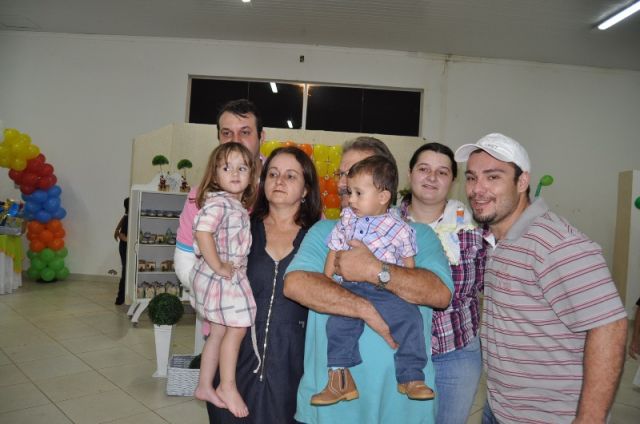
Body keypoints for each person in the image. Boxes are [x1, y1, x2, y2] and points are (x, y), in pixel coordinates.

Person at [455, 132, 628, 423]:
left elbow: (610, 327)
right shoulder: (498, 239)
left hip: (549, 415)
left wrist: (589, 419)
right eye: (471, 178)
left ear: (522, 182)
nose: (477, 189)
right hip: (500, 408)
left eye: (493, 177)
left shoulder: (555, 243)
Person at [284, 136, 454, 423]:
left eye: (355, 172)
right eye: (341, 174)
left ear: (383, 185)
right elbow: (296, 285)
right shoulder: (324, 230)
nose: (343, 183)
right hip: (328, 412)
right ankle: (340, 379)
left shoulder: (419, 234)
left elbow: (439, 294)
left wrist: (374, 270)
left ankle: (410, 376)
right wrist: (364, 309)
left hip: (402, 410)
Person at [207, 146, 322, 423]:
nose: (279, 181)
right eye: (273, 174)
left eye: (290, 176)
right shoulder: (239, 228)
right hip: (236, 363)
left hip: (292, 370)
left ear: (306, 189)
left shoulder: (318, 239)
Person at [312, 154, 434, 406]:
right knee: (337, 325)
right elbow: (335, 249)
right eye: (350, 192)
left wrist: (405, 294)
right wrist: (328, 281)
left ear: (383, 197)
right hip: (350, 287)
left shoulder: (400, 228)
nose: (351, 199)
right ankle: (339, 380)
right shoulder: (347, 220)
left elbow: (408, 264)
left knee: (411, 320)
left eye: (358, 193)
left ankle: (412, 377)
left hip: (384, 289)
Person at [399, 142, 485, 424]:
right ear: (410, 173)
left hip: (456, 353)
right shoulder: (384, 222)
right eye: (424, 169)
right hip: (397, 352)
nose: (432, 178)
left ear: (453, 180)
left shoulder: (473, 227)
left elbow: (489, 283)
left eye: (442, 172)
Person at [190, 142, 258, 418]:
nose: (235, 174)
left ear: (251, 174)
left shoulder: (233, 204)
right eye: (227, 168)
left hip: (220, 276)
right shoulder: (220, 203)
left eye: (242, 168)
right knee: (238, 327)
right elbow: (202, 232)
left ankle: (205, 385)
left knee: (218, 331)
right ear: (215, 174)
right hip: (221, 277)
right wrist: (218, 265)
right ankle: (227, 385)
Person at [174, 99, 264, 292]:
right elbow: (184, 260)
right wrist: (220, 293)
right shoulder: (201, 196)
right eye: (227, 133)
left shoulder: (281, 185)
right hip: (220, 302)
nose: (235, 140)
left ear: (261, 137)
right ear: (219, 138)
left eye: (245, 132)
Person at [113, 197, 129, 305]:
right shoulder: (128, 216)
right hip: (125, 246)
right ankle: (120, 298)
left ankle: (121, 297)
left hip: (125, 246)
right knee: (126, 271)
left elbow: (123, 219)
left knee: (126, 271)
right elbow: (124, 237)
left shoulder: (128, 215)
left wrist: (117, 231)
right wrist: (119, 233)